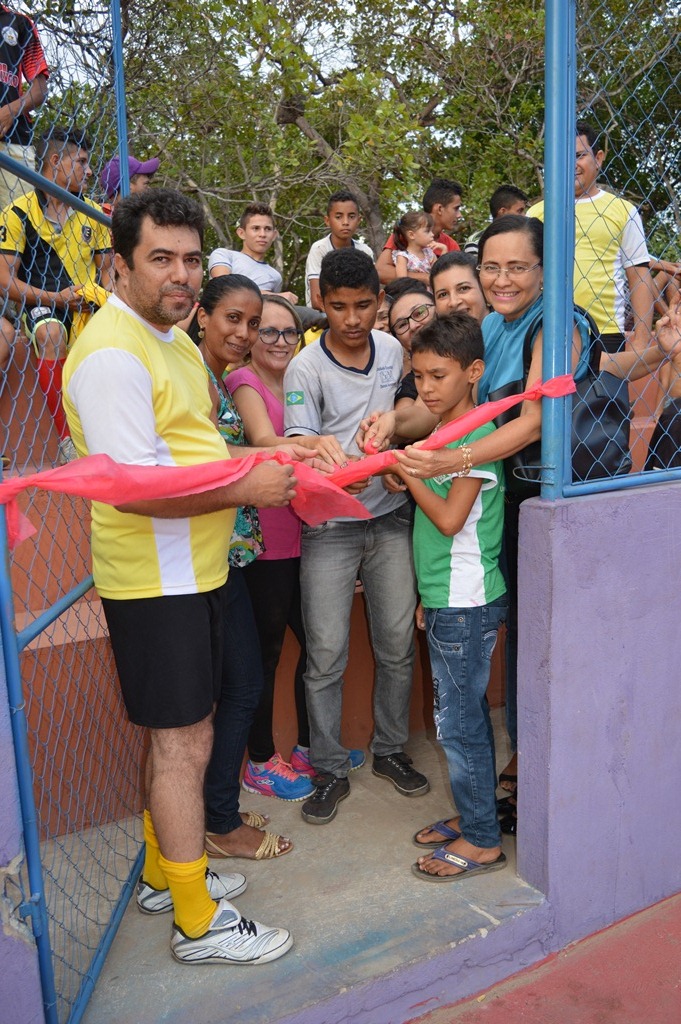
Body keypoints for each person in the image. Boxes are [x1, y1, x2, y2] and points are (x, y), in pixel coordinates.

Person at [358, 214, 667, 827]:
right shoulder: (492, 327)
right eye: (491, 267)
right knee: (522, 644)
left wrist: (450, 459)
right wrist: (395, 422)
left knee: (555, 648)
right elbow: (455, 407)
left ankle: (540, 788)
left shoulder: (558, 324)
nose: (501, 279)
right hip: (509, 508)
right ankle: (508, 789)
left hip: (559, 510)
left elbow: (530, 423)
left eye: (517, 267)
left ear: (545, 269)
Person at [62, 188, 296, 965]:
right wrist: (250, 486)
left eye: (192, 259)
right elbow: (139, 488)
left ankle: (168, 872)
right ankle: (196, 922)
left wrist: (272, 456)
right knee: (182, 745)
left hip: (190, 571)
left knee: (180, 737)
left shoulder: (166, 341)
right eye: (160, 258)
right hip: (154, 580)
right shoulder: (111, 354)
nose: (181, 275)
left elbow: (191, 456)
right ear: (119, 265)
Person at [284, 247, 429, 824]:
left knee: (396, 646)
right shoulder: (305, 368)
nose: (351, 319)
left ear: (379, 303)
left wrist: (393, 443)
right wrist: (324, 461)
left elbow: (416, 415)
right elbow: (301, 454)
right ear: (320, 303)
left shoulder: (394, 350)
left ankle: (391, 750)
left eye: (363, 306)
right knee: (325, 654)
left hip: (391, 518)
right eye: (338, 306)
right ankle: (327, 768)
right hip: (329, 529)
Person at [387, 313, 508, 881]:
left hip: (466, 601)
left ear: (473, 373)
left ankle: (483, 839)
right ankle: (475, 815)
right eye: (418, 377)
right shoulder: (442, 433)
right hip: (448, 599)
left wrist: (405, 470)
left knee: (459, 725)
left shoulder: (478, 441)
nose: (425, 388)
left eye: (438, 376)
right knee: (461, 719)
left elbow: (448, 518)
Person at [186, 274, 302, 855]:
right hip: (199, 558)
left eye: (252, 323)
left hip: (227, 555)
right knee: (233, 689)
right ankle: (220, 822)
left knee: (241, 684)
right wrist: (286, 452)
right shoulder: (192, 373)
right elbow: (204, 460)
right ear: (203, 314)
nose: (244, 332)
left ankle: (216, 817)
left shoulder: (214, 375)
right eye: (233, 318)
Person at [226, 295, 358, 796]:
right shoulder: (245, 382)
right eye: (268, 331)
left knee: (320, 645)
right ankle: (261, 760)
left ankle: (309, 747)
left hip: (306, 535)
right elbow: (262, 439)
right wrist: (318, 450)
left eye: (289, 332)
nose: (280, 341)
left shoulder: (301, 379)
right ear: (253, 337)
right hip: (267, 541)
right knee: (267, 653)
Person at [0, 126, 113, 463]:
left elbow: (108, 272)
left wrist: (105, 298)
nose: (89, 171)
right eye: (81, 162)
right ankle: (68, 443)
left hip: (90, 304)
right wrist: (57, 299)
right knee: (50, 333)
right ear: (54, 161)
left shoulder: (96, 212)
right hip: (42, 305)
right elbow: (5, 281)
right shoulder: (17, 212)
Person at [530, 120, 656, 355]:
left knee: (603, 393)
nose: (570, 164)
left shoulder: (623, 210)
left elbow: (639, 274)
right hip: (545, 329)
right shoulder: (536, 213)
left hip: (605, 332)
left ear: (598, 158)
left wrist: (640, 339)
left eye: (578, 155)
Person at [0, 4, 49, 210]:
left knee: (17, 224)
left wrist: (10, 111)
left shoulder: (19, 23)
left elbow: (40, 90)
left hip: (14, 139)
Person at [376, 178, 463, 285]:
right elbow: (380, 272)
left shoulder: (451, 246)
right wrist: (426, 278)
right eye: (456, 208)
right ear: (439, 209)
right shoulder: (406, 235)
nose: (459, 215)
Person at [208, 201, 298, 305]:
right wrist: (276, 297)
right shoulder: (224, 255)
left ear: (274, 235)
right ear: (241, 233)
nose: (262, 234)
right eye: (256, 228)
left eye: (267, 229)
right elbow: (224, 287)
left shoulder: (275, 276)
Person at [305, 189, 374, 310]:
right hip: (323, 315)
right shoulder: (319, 249)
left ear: (359, 220)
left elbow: (371, 292)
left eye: (351, 216)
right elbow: (317, 301)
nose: (346, 222)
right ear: (327, 221)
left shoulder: (365, 251)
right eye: (338, 217)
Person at [463, 184, 530, 257]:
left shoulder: (528, 240)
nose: (524, 215)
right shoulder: (475, 242)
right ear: (503, 212)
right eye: (519, 211)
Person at [390, 211, 441, 278]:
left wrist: (444, 250)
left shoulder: (429, 253)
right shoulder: (403, 257)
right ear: (411, 235)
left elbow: (439, 275)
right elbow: (402, 283)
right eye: (427, 231)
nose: (432, 234)